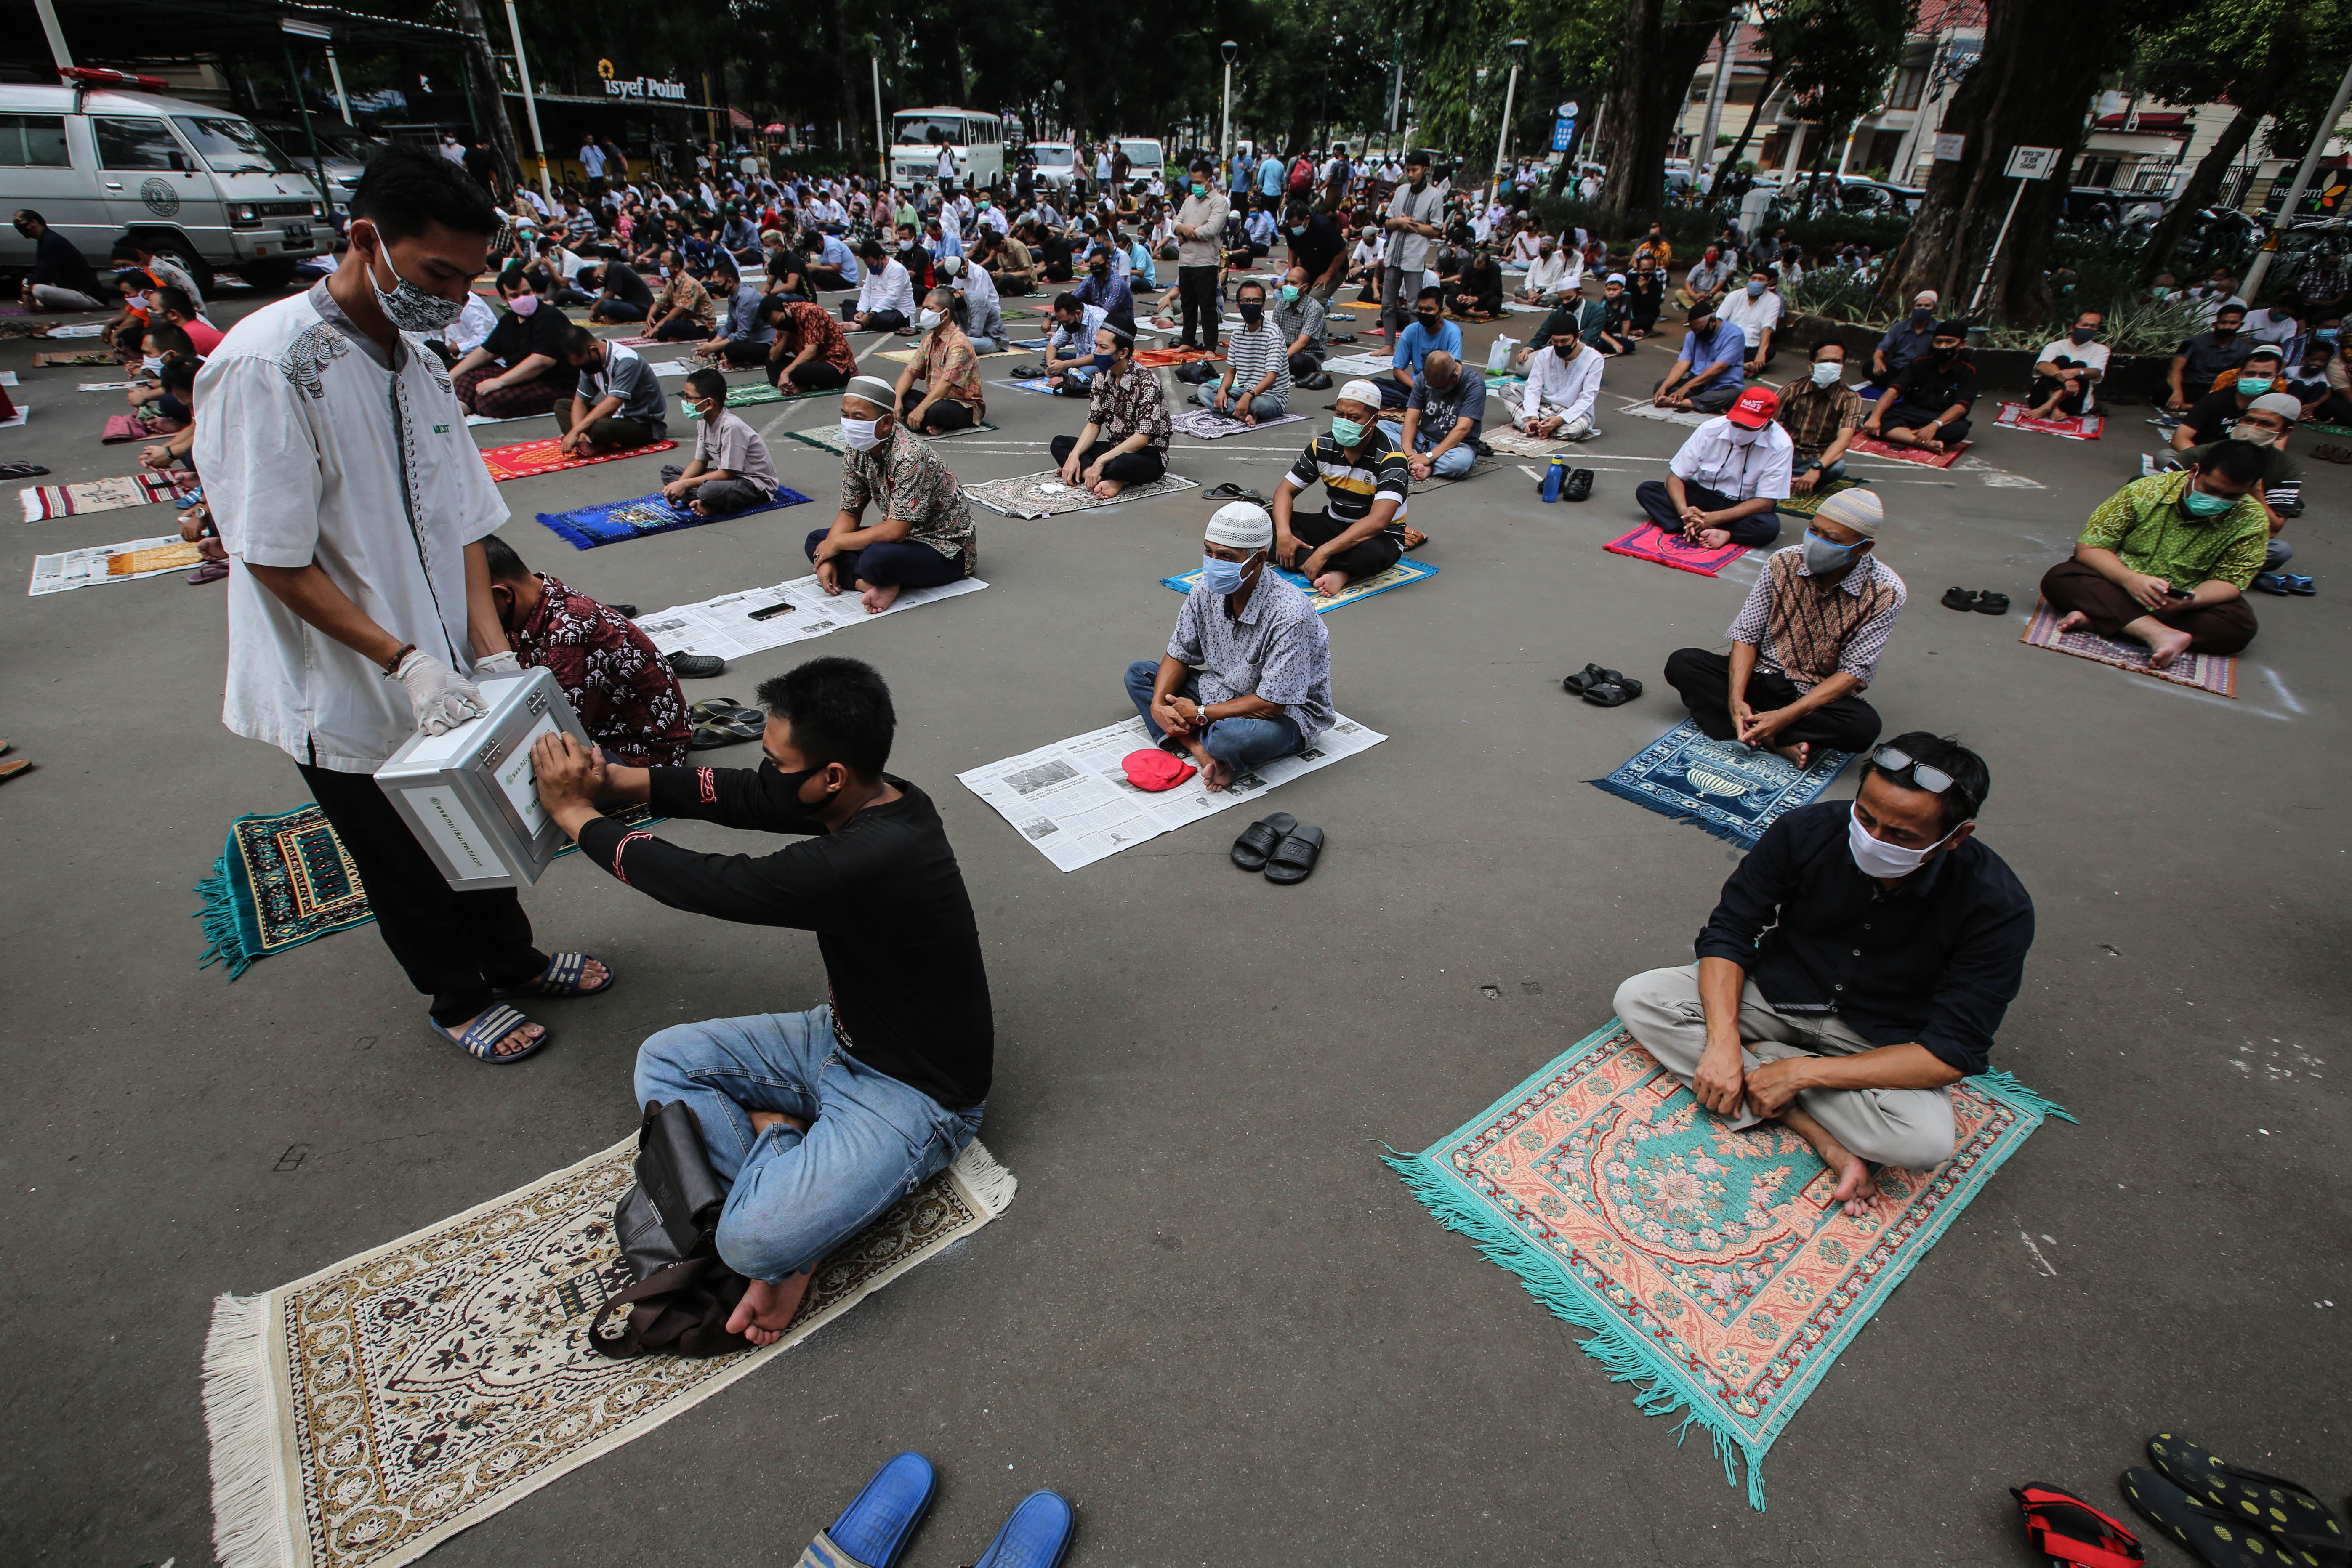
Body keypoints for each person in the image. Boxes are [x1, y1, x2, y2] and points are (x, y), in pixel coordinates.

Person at [193, 146, 608, 1064]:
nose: (453, 298)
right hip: (344, 675)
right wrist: (402, 661)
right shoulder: (268, 366)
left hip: (445, 661)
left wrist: (491, 652)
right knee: (402, 857)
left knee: (483, 827)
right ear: (364, 239)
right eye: (435, 273)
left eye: (467, 279)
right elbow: (271, 557)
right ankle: (455, 996)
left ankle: (512, 958)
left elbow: (463, 520)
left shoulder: (419, 364)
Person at [526, 656, 992, 1343]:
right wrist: (623, 779)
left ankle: (779, 1144)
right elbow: (746, 795)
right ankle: (789, 1173)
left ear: (831, 775)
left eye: (778, 761)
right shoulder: (874, 794)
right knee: (665, 1059)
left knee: (748, 1244)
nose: (766, 772)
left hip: (915, 1093)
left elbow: (707, 882)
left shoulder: (871, 857)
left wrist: (575, 813)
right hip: (838, 1036)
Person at [1612, 733, 2032, 1215]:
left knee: (1923, 1142)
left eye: (1900, 836)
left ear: (1955, 836)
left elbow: (1953, 1051)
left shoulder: (1997, 907)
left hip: (1876, 1036)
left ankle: (1770, 1066)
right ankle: (1813, 1130)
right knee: (1640, 997)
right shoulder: (1806, 830)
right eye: (1866, 817)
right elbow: (1730, 931)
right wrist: (1724, 1041)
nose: (1873, 840)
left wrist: (1801, 1072)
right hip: (1777, 994)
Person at [1663, 488, 1902, 768]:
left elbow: (1852, 673)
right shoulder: (1784, 562)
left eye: (1831, 538)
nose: (1817, 542)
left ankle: (1756, 728)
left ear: (1863, 548)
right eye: (1814, 530)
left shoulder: (1886, 592)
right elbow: (1747, 636)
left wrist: (1787, 715)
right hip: (1761, 678)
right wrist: (1736, 698)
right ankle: (1769, 738)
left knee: (1864, 727)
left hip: (1812, 698)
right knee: (1683, 663)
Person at [1125, 501, 1333, 793]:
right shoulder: (1204, 591)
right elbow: (1179, 654)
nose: (1212, 562)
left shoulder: (1290, 614)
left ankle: (1209, 741)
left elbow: (1273, 705)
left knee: (1228, 738)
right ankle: (1202, 751)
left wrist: (1200, 713)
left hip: (1286, 714)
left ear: (1259, 560)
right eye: (1208, 551)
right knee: (1141, 675)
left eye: (1225, 556)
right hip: (1220, 692)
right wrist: (1160, 705)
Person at [2038, 444, 2270, 666]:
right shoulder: (2143, 491)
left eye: (2232, 497)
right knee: (2061, 578)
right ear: (2194, 471)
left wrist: (2192, 600)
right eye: (2211, 490)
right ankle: (2157, 633)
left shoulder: (2253, 519)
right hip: (2119, 584)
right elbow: (2090, 548)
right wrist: (2130, 580)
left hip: (2179, 601)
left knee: (2239, 627)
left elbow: (2231, 581)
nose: (2218, 501)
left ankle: (2105, 618)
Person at [482, 536, 692, 766]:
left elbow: (561, 732)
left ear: (504, 595)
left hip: (647, 753)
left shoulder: (569, 629)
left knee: (535, 771)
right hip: (611, 732)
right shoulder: (541, 598)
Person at [806, 376, 979, 614]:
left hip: (943, 550)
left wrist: (835, 545)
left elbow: (895, 533)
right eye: (845, 415)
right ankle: (869, 583)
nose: (849, 424)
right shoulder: (857, 450)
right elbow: (850, 511)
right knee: (816, 541)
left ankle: (871, 578)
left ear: (887, 422)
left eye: (858, 417)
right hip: (902, 542)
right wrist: (826, 557)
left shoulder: (910, 455)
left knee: (876, 557)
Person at [1272, 381, 1415, 595]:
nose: (1344, 422)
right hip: (1334, 523)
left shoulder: (1391, 458)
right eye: (1339, 415)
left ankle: (1316, 564)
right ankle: (1328, 567)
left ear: (1374, 420)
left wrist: (1323, 551)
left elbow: (1378, 522)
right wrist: (1284, 534)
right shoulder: (1322, 446)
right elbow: (1285, 491)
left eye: (1354, 418)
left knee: (1374, 553)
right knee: (1262, 521)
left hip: (1377, 536)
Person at [2158, 393, 2304, 584]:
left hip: (2226, 538)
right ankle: (2220, 572)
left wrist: (2256, 489)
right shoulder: (2199, 454)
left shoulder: (2287, 469)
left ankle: (2183, 566)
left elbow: (2272, 530)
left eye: (2267, 424)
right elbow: (2155, 501)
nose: (2254, 428)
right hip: (2175, 531)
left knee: (2280, 551)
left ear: (2284, 433)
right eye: (2249, 420)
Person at [1635, 386, 1793, 549]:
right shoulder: (1710, 429)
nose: (1739, 431)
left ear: (1766, 426)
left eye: (1748, 428)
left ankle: (1712, 531)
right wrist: (1684, 511)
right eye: (1736, 423)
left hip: (1741, 506)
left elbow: (1765, 502)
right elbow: (1676, 476)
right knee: (1648, 491)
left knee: (1768, 528)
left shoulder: (1781, 445)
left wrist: (1716, 518)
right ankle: (1696, 526)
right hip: (1702, 497)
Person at [1051, 323, 1171, 497]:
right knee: (1060, 444)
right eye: (1097, 345)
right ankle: (1097, 476)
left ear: (1123, 353)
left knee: (1120, 464)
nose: (1097, 352)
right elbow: (1094, 424)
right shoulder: (1101, 376)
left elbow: (1141, 439)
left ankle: (1099, 474)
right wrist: (1074, 456)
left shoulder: (1146, 382)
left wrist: (1101, 460)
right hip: (1115, 448)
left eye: (1104, 347)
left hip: (1146, 454)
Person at [452, 267, 577, 419]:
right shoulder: (508, 321)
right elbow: (486, 352)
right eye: (515, 296)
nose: (523, 299)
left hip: (553, 384)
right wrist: (451, 376)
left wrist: (500, 382)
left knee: (491, 401)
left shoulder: (550, 317)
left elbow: (542, 361)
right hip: (519, 375)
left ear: (534, 291)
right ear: (505, 299)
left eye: (526, 293)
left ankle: (471, 405)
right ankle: (458, 410)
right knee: (468, 377)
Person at [661, 368, 781, 517]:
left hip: (753, 484)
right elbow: (700, 462)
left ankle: (709, 501)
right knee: (669, 472)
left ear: (709, 403)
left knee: (708, 490)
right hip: (727, 478)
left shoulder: (731, 427)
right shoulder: (703, 421)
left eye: (690, 398)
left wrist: (685, 485)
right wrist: (680, 484)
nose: (685, 402)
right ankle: (706, 501)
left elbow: (727, 474)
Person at [1862, 322, 1979, 453]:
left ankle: (1901, 434)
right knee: (1872, 417)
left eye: (1950, 342)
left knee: (1959, 430)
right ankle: (1925, 443)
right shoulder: (1920, 363)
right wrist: (1875, 418)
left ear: (1963, 344)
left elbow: (1961, 407)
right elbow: (1893, 392)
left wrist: (1935, 425)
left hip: (1940, 416)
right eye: (1938, 342)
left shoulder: (1969, 370)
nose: (1943, 346)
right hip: (1911, 411)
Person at [558, 324, 667, 455]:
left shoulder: (626, 361)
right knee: (562, 406)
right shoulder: (589, 363)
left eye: (583, 364)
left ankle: (596, 444)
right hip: (615, 418)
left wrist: (575, 431)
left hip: (642, 424)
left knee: (601, 426)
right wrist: (579, 432)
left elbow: (613, 404)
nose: (583, 369)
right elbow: (580, 401)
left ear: (593, 350)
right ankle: (585, 441)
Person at [892, 286, 987, 434]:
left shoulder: (959, 343)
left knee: (937, 411)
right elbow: (910, 373)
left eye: (930, 309)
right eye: (924, 308)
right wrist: (897, 401)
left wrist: (920, 410)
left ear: (945, 314)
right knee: (890, 394)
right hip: (934, 398)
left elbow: (946, 384)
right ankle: (923, 422)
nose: (924, 314)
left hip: (963, 405)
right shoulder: (928, 341)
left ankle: (916, 421)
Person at [1197, 280, 1291, 425]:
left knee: (1256, 405)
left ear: (1263, 305)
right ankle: (1241, 414)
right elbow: (1230, 371)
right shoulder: (1237, 334)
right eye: (1246, 301)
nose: (1251, 305)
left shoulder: (1273, 333)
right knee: (1205, 390)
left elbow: (1271, 377)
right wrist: (1222, 390)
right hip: (1244, 391)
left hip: (1271, 397)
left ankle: (1235, 410)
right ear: (1238, 306)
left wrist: (1248, 396)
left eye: (1256, 301)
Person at [1778, 341, 1865, 494]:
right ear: (1812, 366)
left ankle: (1792, 481)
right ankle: (1793, 481)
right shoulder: (1793, 389)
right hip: (1785, 453)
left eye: (1836, 361)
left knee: (1838, 468)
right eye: (1825, 361)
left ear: (1843, 367)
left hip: (1817, 459)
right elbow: (1766, 422)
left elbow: (1844, 441)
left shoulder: (1850, 398)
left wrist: (1817, 469)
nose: (1830, 365)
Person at [1380, 150, 1447, 341]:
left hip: (1414, 256)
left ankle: (1412, 345)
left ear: (1426, 169)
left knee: (1414, 307)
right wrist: (1400, 222)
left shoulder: (1435, 196)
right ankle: (1388, 344)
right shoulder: (1401, 191)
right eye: (1408, 170)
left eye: (1415, 170)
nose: (1411, 175)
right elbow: (1388, 222)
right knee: (1387, 305)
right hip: (1394, 254)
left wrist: (1413, 226)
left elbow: (1436, 230)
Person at [2169, 345, 2286, 451]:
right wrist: (2201, 463)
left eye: (2265, 376)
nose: (2256, 379)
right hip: (2205, 456)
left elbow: (2277, 448)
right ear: (2239, 374)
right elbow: (2180, 439)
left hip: (2249, 463)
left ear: (2276, 378)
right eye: (2250, 374)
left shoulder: (2279, 405)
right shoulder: (2214, 400)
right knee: (2165, 457)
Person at [1504, 317, 1603, 440]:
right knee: (1508, 388)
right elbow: (1534, 388)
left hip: (1570, 412)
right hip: (1544, 404)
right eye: (1555, 342)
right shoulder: (1546, 354)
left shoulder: (1594, 359)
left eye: (1564, 341)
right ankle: (1539, 426)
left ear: (1578, 337)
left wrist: (1560, 420)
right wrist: (1533, 417)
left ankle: (1533, 427)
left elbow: (1587, 398)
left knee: (1579, 428)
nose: (1559, 346)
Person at [1389, 351, 1485, 478]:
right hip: (1424, 439)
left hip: (1455, 446)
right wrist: (1407, 451)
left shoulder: (1474, 384)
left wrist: (1429, 457)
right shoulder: (1424, 378)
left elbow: (1463, 429)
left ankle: (1428, 467)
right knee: (1379, 427)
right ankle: (1412, 461)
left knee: (1459, 462)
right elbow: (1412, 419)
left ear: (1455, 376)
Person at [1172, 158, 1229, 353]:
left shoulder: (1220, 202)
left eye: (1199, 182)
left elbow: (1211, 229)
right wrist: (1184, 229)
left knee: (1207, 307)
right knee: (1187, 305)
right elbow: (1175, 223)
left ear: (1209, 181)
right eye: (1193, 182)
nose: (1196, 186)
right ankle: (1187, 341)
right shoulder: (1189, 201)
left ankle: (1210, 346)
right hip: (1186, 261)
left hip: (1206, 262)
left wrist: (1185, 233)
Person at [1652, 301, 1749, 415]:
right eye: (1694, 330)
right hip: (1698, 386)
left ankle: (1680, 403)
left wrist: (1688, 386)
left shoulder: (1735, 335)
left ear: (1712, 322)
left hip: (1723, 386)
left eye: (1699, 330)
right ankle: (1698, 403)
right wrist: (1664, 388)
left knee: (1734, 395)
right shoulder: (1691, 336)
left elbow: (1719, 367)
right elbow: (1682, 365)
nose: (1697, 333)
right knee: (1661, 385)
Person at [1374, 285, 1462, 408]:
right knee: (1374, 386)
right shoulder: (1411, 331)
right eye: (1420, 308)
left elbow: (1457, 369)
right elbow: (1398, 371)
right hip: (1415, 385)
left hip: (1442, 387)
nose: (1423, 313)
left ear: (1441, 311)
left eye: (1429, 309)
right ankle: (1425, 403)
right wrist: (1417, 388)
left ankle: (1423, 403)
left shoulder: (1453, 332)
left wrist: (1439, 388)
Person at [2167, 305, 2252, 413]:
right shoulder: (2192, 342)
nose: (2227, 327)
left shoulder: (2245, 350)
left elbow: (2237, 377)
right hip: (2189, 385)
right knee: (2162, 390)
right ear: (2215, 324)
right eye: (2224, 323)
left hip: (2216, 389)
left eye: (2233, 323)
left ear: (2240, 325)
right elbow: (2175, 369)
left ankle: (2192, 408)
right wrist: (2177, 393)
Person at [2025, 311, 2109, 420]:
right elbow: (2041, 366)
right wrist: (2065, 379)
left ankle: (2049, 408)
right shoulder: (2055, 346)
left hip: (2073, 402)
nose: (2088, 329)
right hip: (2041, 399)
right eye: (2084, 325)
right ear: (2073, 328)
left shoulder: (2101, 350)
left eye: (2093, 326)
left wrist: (2076, 372)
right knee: (2062, 360)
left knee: (2079, 365)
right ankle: (2053, 408)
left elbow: (2096, 372)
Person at [13, 210, 104, 310]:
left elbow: (44, 273)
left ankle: (44, 306)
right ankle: (40, 304)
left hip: (89, 297)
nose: (17, 226)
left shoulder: (52, 241)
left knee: (38, 289)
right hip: (71, 289)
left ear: (33, 222)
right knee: (30, 283)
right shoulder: (45, 239)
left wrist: (27, 290)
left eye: (19, 221)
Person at [698, 258, 777, 367]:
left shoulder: (747, 298)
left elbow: (742, 336)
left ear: (730, 282)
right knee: (714, 335)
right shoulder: (733, 295)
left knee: (731, 348)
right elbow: (729, 327)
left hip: (764, 344)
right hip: (749, 340)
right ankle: (729, 359)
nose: (716, 287)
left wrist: (713, 348)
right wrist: (710, 345)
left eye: (717, 283)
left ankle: (731, 359)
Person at [1869, 291, 1940, 390]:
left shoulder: (1939, 329)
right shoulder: (1899, 327)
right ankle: (1902, 387)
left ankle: (1896, 387)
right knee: (1869, 367)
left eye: (1927, 306)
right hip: (1897, 368)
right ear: (1913, 309)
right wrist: (1878, 361)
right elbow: (1882, 349)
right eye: (1919, 306)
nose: (1922, 308)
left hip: (1920, 372)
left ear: (1934, 310)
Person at [1271, 263, 1330, 382]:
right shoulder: (1282, 304)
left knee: (1296, 362)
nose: (1288, 287)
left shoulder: (1314, 308)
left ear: (1305, 287)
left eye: (1294, 283)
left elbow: (1302, 343)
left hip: (1308, 354)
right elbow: (1273, 334)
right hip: (1286, 349)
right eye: (1286, 283)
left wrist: (1279, 359)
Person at [1285, 199, 1349, 303]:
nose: (1294, 228)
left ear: (1307, 219)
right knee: (1291, 294)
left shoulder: (1324, 226)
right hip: (1309, 268)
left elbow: (1343, 252)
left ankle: (1318, 313)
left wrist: (1328, 275)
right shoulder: (1291, 228)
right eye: (1292, 226)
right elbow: (1293, 249)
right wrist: (1292, 272)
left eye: (1297, 226)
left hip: (1334, 268)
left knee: (1314, 298)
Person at [1720, 266, 1782, 374]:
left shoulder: (1774, 300)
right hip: (1729, 343)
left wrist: (1761, 353)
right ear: (1749, 280)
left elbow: (1767, 327)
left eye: (1761, 280)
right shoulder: (1735, 295)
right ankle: (1742, 366)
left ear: (1768, 284)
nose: (1756, 282)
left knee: (1770, 351)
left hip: (1751, 347)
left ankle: (1723, 364)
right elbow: (1719, 320)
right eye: (1753, 278)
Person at [849, 238, 917, 332]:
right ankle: (862, 322)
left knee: (883, 320)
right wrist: (862, 311)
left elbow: (892, 298)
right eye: (868, 265)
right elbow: (866, 291)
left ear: (881, 258)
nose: (870, 268)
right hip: (873, 310)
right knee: (848, 305)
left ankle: (859, 325)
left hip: (897, 311)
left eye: (872, 265)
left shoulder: (897, 270)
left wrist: (871, 314)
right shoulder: (871, 269)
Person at [646, 264, 718, 342]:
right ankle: (665, 332)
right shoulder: (672, 282)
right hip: (684, 320)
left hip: (701, 325)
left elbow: (679, 311)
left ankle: (663, 333)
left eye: (665, 264)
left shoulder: (690, 284)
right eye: (661, 264)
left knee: (668, 325)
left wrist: (658, 326)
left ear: (676, 267)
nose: (662, 267)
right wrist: (649, 317)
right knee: (656, 317)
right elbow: (660, 303)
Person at [1074, 245, 1135, 326]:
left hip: (1119, 326)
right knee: (1069, 307)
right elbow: (1074, 298)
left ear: (1107, 264)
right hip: (1099, 320)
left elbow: (1105, 314)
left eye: (1097, 264)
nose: (1095, 267)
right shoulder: (1092, 279)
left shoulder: (1117, 285)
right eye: (1092, 265)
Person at [582, 258, 655, 323]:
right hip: (631, 304)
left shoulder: (615, 269)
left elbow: (609, 295)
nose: (601, 286)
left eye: (598, 285)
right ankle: (614, 317)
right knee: (598, 301)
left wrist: (594, 308)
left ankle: (619, 318)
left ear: (596, 277)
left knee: (606, 304)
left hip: (643, 309)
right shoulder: (609, 271)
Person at [1515, 237, 1578, 307]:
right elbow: (1529, 279)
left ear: (1552, 250)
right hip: (1535, 290)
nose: (1542, 251)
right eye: (1541, 249)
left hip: (1547, 293)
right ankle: (1535, 301)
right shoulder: (1536, 261)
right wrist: (1530, 291)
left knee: (1557, 298)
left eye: (1545, 249)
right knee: (1518, 289)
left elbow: (1556, 286)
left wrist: (1541, 296)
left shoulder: (1558, 263)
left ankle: (1527, 302)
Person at [1450, 247, 1504, 321]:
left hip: (1486, 298)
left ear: (1488, 266)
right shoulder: (1470, 267)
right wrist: (1462, 295)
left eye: (1480, 270)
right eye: (1476, 269)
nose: (1478, 272)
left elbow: (1494, 290)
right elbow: (1464, 285)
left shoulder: (1495, 269)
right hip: (1472, 297)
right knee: (1450, 299)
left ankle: (1463, 311)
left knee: (1494, 303)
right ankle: (1474, 313)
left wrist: (1478, 299)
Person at [1674, 245, 1732, 311]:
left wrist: (1709, 295)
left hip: (1711, 295)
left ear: (1718, 255)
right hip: (1696, 294)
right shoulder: (1697, 268)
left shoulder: (1723, 267)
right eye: (1710, 252)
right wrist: (1694, 296)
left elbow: (1720, 284)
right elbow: (1688, 283)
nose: (1712, 254)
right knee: (1679, 293)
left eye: (1715, 251)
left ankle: (1694, 308)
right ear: (1705, 256)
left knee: (1721, 295)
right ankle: (1697, 308)